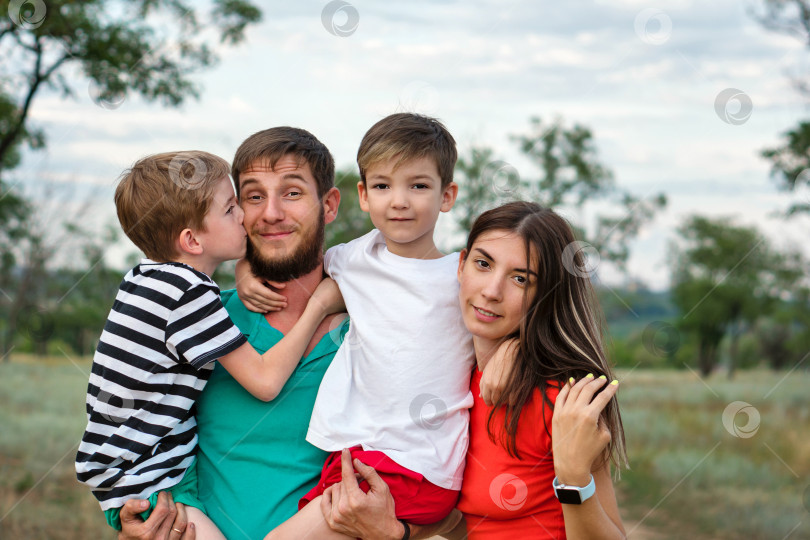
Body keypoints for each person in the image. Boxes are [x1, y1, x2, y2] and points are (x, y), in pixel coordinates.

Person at [117, 128, 462, 540]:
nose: (271, 214)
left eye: (293, 193)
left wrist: (395, 534)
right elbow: (136, 435)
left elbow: (463, 506)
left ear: (330, 204)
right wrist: (133, 527)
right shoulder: (200, 322)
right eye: (253, 196)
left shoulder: (389, 330)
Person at [75, 151, 344, 538]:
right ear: (191, 239)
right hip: (154, 480)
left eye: (292, 194)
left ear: (328, 204)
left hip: (135, 471)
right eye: (236, 205)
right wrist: (318, 306)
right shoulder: (194, 297)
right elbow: (265, 382)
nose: (252, 217)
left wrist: (244, 265)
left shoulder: (145, 279)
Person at [446, 201, 628, 539]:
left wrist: (574, 479)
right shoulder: (451, 379)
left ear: (545, 295)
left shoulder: (559, 399)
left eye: (520, 279)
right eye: (483, 264)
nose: (491, 291)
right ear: (461, 264)